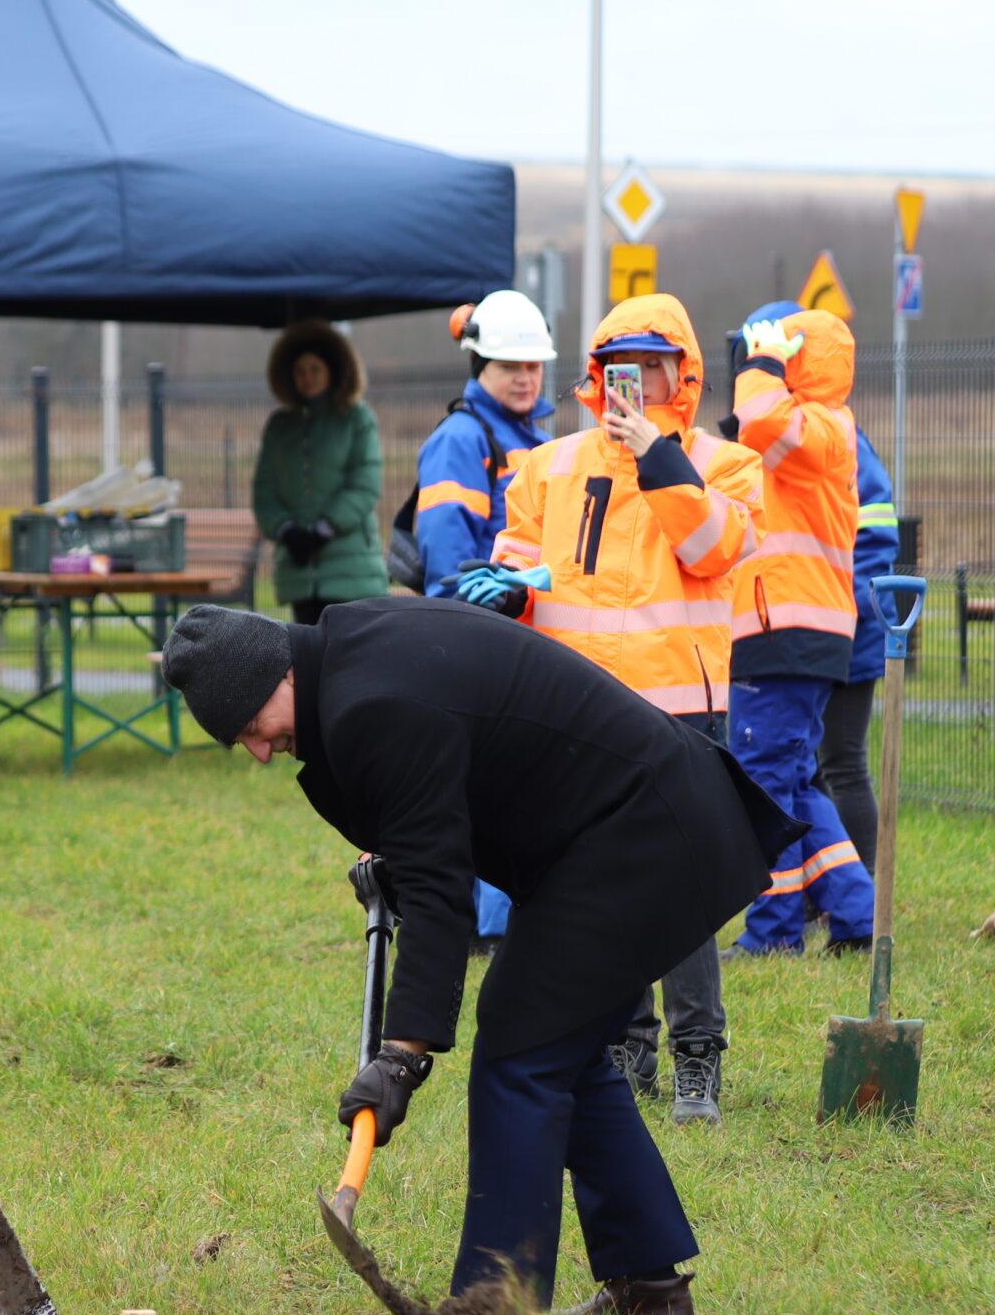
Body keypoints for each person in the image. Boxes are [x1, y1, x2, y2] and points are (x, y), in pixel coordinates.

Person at [160, 600, 802, 1315]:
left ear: (275, 674)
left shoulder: (374, 703)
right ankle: (649, 1291)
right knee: (560, 1045)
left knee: (522, 1048)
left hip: (644, 829)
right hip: (615, 831)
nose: (259, 751)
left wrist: (402, 1055)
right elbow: (437, 810)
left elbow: (441, 891)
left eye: (248, 725)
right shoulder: (353, 664)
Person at [457, 293, 763, 1122]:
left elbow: (711, 549)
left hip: (679, 709)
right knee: (597, 885)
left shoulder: (722, 462)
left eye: (656, 364)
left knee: (683, 888)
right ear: (598, 373)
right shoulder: (550, 464)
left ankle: (699, 1053)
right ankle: (630, 1045)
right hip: (578, 709)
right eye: (622, 365)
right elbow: (521, 554)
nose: (640, 380)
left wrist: (658, 456)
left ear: (685, 374)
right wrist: (505, 591)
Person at [723, 307, 877, 956]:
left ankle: (775, 929)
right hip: (802, 628)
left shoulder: (812, 425)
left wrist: (762, 363)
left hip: (782, 626)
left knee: (761, 786)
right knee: (793, 782)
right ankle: (856, 909)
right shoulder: (825, 428)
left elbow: (757, 418)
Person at [412, 290, 559, 954]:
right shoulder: (461, 441)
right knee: (499, 784)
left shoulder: (542, 441)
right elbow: (448, 553)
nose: (525, 378)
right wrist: (476, 611)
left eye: (533, 366)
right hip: (484, 633)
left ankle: (497, 919)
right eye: (510, 366)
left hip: (526, 632)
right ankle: (493, 926)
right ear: (479, 366)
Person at [743, 301, 901, 869]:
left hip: (841, 625)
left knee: (841, 763)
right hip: (825, 622)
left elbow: (877, 536)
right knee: (809, 767)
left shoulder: (832, 435)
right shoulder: (809, 429)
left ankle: (864, 885)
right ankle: (832, 885)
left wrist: (848, 609)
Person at [253, 321, 384, 626]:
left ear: (333, 370)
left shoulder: (356, 419)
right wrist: (287, 531)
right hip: (299, 574)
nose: (307, 378)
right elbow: (264, 491)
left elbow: (365, 483)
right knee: (309, 663)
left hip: (352, 572)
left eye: (315, 369)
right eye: (300, 371)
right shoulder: (280, 427)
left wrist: (324, 529)